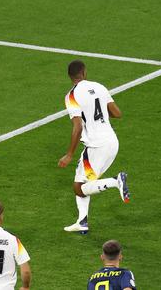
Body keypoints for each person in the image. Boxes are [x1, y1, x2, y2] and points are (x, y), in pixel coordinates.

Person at [58, 60, 130, 234]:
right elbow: (117, 113)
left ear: (70, 76)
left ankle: (116, 181)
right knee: (86, 182)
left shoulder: (71, 96)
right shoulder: (99, 86)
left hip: (96, 146)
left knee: (78, 187)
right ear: (84, 72)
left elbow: (77, 126)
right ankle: (82, 221)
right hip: (112, 142)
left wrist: (69, 154)